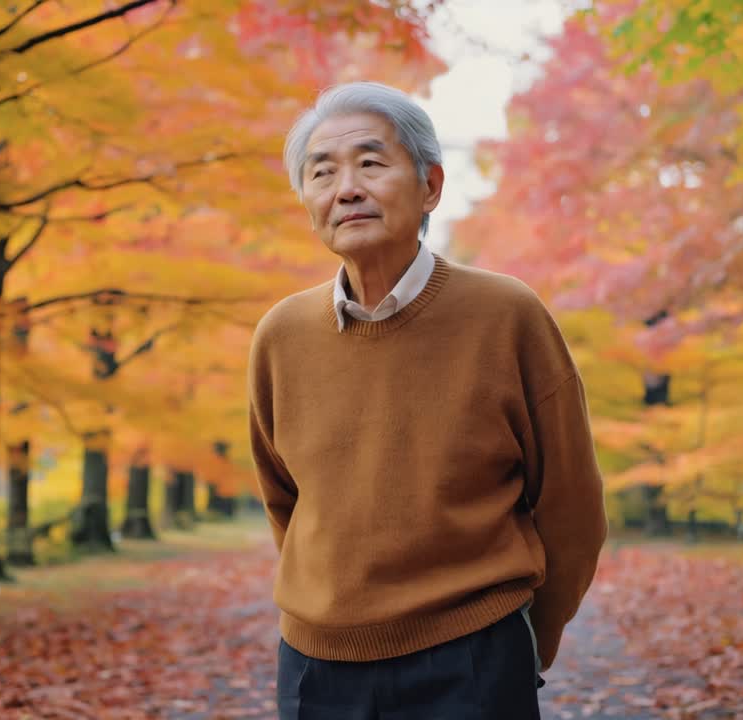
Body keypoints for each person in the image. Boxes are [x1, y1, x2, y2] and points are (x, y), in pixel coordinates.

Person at [247, 81, 608, 719]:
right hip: (315, 667)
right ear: (308, 202)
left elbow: (572, 506)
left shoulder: (507, 314)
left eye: (370, 162)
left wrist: (529, 641)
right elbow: (286, 499)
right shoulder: (281, 334)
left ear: (431, 187)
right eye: (321, 172)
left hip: (474, 655)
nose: (346, 188)